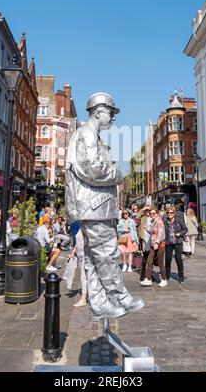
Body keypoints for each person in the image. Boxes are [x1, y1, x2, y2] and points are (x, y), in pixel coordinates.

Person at [66, 91, 144, 320]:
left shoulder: (92, 136)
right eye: (110, 112)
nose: (112, 117)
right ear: (98, 111)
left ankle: (100, 304)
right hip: (94, 207)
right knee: (108, 253)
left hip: (95, 207)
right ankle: (119, 295)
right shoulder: (87, 135)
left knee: (92, 257)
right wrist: (118, 174)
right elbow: (94, 168)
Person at [141, 207, 167, 287]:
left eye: (153, 213)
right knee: (149, 261)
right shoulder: (152, 222)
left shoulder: (159, 222)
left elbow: (160, 233)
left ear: (157, 214)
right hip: (152, 245)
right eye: (151, 213)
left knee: (160, 262)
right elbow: (153, 232)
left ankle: (164, 279)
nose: (152, 215)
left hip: (159, 245)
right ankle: (148, 279)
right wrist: (147, 228)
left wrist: (157, 242)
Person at [164, 206, 188, 283]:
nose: (169, 214)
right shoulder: (165, 221)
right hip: (168, 242)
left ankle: (181, 276)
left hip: (178, 242)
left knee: (178, 259)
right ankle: (167, 275)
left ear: (174, 213)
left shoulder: (179, 221)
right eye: (168, 212)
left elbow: (185, 229)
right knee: (168, 259)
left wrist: (180, 233)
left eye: (171, 212)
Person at [69, 228, 88, 307]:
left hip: (85, 256)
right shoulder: (80, 228)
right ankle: (89, 294)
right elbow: (78, 242)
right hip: (79, 255)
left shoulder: (87, 228)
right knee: (85, 277)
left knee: (83, 277)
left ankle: (83, 299)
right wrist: (73, 252)